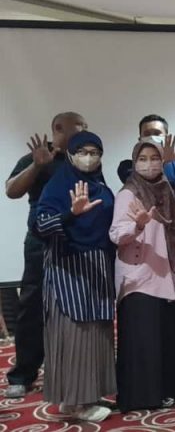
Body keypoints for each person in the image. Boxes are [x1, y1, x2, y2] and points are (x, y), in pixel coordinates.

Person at [3, 111, 86, 399]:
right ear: (58, 129)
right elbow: (11, 190)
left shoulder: (83, 159)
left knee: (75, 306)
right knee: (32, 307)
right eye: (78, 129)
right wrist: (37, 166)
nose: (82, 134)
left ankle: (72, 369)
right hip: (41, 241)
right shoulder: (37, 156)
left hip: (76, 240)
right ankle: (22, 374)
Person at [35, 131, 116, 422]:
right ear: (70, 154)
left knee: (94, 334)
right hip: (68, 270)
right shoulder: (58, 185)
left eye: (94, 152)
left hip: (96, 268)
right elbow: (40, 224)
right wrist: (70, 214)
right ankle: (76, 401)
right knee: (74, 335)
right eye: (82, 151)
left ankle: (83, 397)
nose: (88, 157)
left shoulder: (100, 185)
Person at [109, 141, 175, 411]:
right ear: (134, 162)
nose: (149, 163)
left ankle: (165, 392)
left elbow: (174, 229)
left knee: (164, 339)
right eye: (143, 158)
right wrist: (138, 226)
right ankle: (140, 396)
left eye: (154, 158)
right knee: (142, 341)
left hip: (166, 274)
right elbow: (117, 235)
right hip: (139, 277)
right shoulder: (128, 194)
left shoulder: (166, 190)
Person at [117, 114, 175, 201]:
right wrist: (163, 163)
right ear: (140, 139)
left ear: (166, 137)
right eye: (146, 134)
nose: (152, 138)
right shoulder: (127, 166)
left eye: (157, 133)